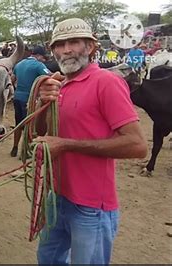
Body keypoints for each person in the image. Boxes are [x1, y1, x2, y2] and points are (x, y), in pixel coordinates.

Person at [34, 18, 147, 264]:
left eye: (74, 42)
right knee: (47, 259)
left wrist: (66, 145)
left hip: (91, 205)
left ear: (91, 46)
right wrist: (44, 104)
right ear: (53, 50)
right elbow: (40, 135)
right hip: (56, 197)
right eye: (60, 45)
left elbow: (138, 146)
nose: (66, 50)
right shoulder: (60, 84)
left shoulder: (106, 82)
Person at [10, 46, 51, 157]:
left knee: (18, 124)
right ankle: (25, 150)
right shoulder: (39, 65)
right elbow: (50, 77)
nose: (44, 60)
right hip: (29, 99)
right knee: (30, 125)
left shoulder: (19, 64)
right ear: (38, 55)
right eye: (43, 57)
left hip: (17, 97)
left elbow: (12, 80)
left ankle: (14, 148)